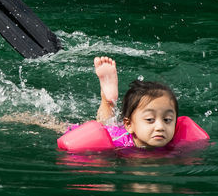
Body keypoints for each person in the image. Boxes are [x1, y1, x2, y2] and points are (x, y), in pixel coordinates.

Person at [56, 56, 209, 152]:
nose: (160, 127)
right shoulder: (119, 143)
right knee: (104, 126)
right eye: (150, 120)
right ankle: (107, 99)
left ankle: (109, 100)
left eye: (167, 120)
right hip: (114, 134)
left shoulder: (176, 143)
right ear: (129, 125)